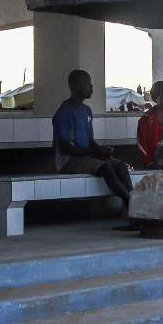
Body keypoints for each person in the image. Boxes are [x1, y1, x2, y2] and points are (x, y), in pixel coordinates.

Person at [52, 69, 134, 224]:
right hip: (69, 160)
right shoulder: (65, 112)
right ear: (76, 86)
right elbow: (65, 147)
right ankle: (130, 201)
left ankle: (130, 207)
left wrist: (102, 151)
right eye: (87, 83)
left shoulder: (87, 111)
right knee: (106, 168)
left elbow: (90, 141)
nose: (91, 86)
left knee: (120, 165)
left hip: (85, 157)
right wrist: (93, 153)